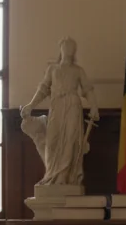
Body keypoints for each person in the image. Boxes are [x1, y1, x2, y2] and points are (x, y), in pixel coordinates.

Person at [19, 37, 100, 186]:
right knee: (52, 140)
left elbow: (87, 89)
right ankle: (51, 174)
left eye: (72, 46)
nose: (69, 49)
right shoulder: (52, 69)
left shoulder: (78, 70)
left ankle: (63, 176)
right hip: (57, 106)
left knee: (70, 139)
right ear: (61, 48)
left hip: (73, 106)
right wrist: (31, 105)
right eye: (66, 45)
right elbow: (43, 89)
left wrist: (94, 106)